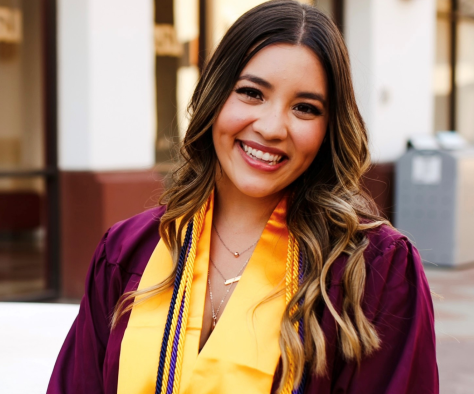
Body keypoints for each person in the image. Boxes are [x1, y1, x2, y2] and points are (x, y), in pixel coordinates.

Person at [47, 1, 438, 393]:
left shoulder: (372, 271)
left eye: (305, 108)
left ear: (329, 128)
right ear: (215, 97)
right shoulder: (128, 252)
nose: (270, 128)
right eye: (251, 93)